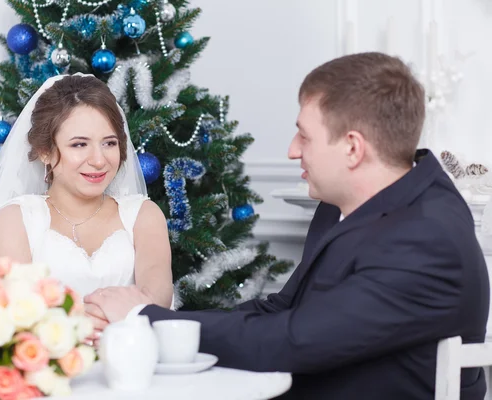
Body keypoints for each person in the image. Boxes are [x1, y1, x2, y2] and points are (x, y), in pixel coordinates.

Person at [85, 53, 490, 399]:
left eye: (304, 136)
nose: (292, 151)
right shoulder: (344, 205)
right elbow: (281, 309)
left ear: (353, 147)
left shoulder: (427, 238)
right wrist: (158, 325)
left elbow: (292, 339)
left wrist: (143, 315)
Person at [0, 73, 174, 321]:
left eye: (109, 143)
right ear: (45, 151)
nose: (99, 160)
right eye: (79, 145)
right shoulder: (15, 220)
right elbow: (17, 313)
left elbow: (157, 302)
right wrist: (102, 318)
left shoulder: (144, 215)